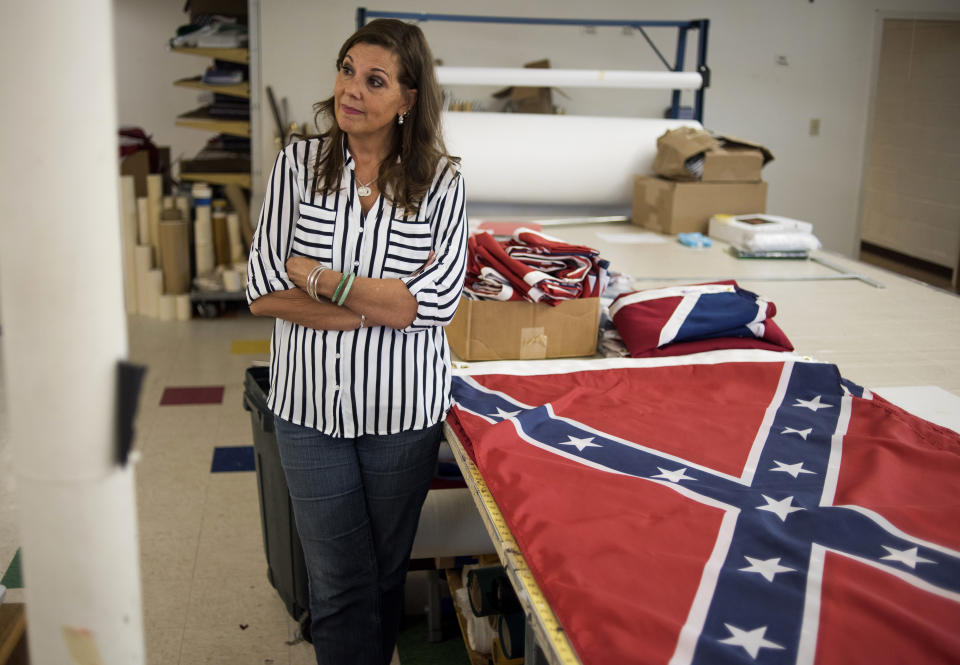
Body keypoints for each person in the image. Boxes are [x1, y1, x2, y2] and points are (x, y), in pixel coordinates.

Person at [245, 18, 467, 665]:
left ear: (408, 99)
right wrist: (369, 303)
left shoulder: (440, 183)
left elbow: (432, 303)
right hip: (309, 408)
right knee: (338, 581)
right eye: (347, 70)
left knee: (386, 572)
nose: (352, 90)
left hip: (402, 412)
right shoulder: (297, 165)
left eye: (374, 80)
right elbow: (260, 287)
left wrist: (322, 280)